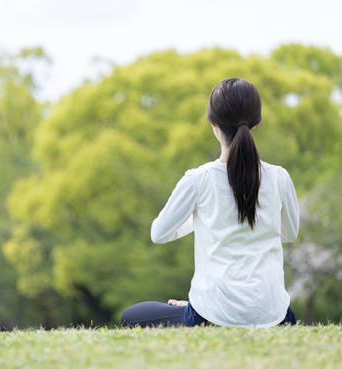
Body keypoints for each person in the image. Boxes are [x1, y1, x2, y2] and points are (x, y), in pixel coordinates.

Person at [121, 78, 299, 328]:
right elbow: (290, 234)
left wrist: (200, 218)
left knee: (132, 316)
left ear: (212, 124)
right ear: (256, 124)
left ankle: (198, 308)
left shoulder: (198, 180)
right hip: (276, 316)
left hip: (211, 313)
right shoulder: (280, 177)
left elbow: (158, 233)